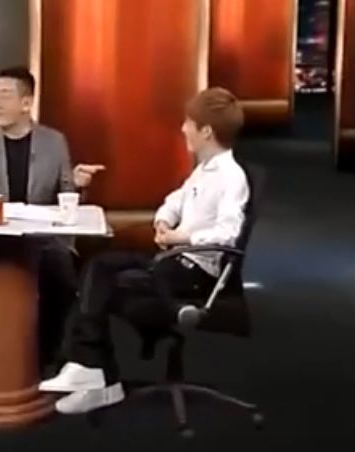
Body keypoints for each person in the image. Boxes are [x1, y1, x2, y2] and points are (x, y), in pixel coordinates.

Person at [39, 87, 250, 414]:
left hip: (195, 273)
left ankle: (95, 370)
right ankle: (93, 370)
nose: (183, 128)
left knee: (105, 283)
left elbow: (228, 234)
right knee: (99, 267)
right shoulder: (204, 169)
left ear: (207, 131)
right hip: (174, 260)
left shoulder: (231, 176)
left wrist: (180, 237)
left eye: (188, 123)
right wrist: (164, 221)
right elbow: (175, 201)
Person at [0, 66, 105, 368]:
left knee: (60, 270)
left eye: (4, 96)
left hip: (41, 240)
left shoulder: (54, 142)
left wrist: (78, 186)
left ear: (26, 103)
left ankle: (45, 355)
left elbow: (67, 199)